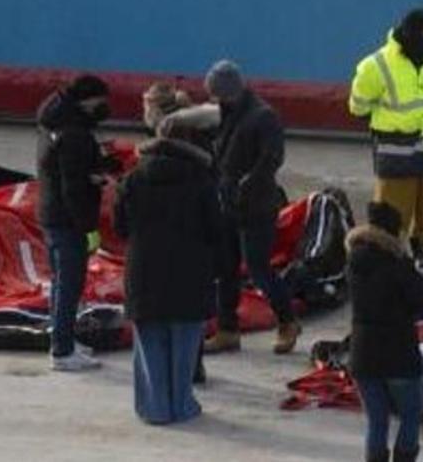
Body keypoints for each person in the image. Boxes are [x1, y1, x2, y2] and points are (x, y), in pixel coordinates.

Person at [113, 106, 221, 424]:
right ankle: (183, 404)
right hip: (190, 271)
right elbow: (215, 229)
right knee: (185, 343)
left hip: (144, 270)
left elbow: (120, 227)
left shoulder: (132, 179)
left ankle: (155, 407)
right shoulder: (201, 180)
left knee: (150, 341)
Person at [200, 60, 302, 354]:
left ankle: (287, 320)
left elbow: (272, 158)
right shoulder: (224, 114)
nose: (212, 99)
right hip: (227, 203)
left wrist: (248, 183)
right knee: (225, 269)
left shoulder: (263, 116)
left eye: (215, 93)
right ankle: (227, 328)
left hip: (256, 207)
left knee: (258, 269)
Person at [349, 8, 423, 264]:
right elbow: (358, 107)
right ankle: (381, 271)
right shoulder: (375, 66)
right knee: (390, 221)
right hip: (396, 157)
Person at [35, 74, 113, 371]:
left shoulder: (52, 123)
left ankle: (63, 338)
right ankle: (62, 351)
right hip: (68, 220)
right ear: (87, 100)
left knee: (60, 283)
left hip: (51, 213)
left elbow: (63, 172)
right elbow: (73, 186)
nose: (103, 108)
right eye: (100, 102)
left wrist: (90, 173)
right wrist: (88, 228)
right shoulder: (75, 134)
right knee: (70, 284)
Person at [346, 202, 423, 462]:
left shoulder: (353, 262)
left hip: (363, 355)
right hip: (398, 354)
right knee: (410, 415)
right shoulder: (399, 265)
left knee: (376, 421)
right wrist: (420, 273)